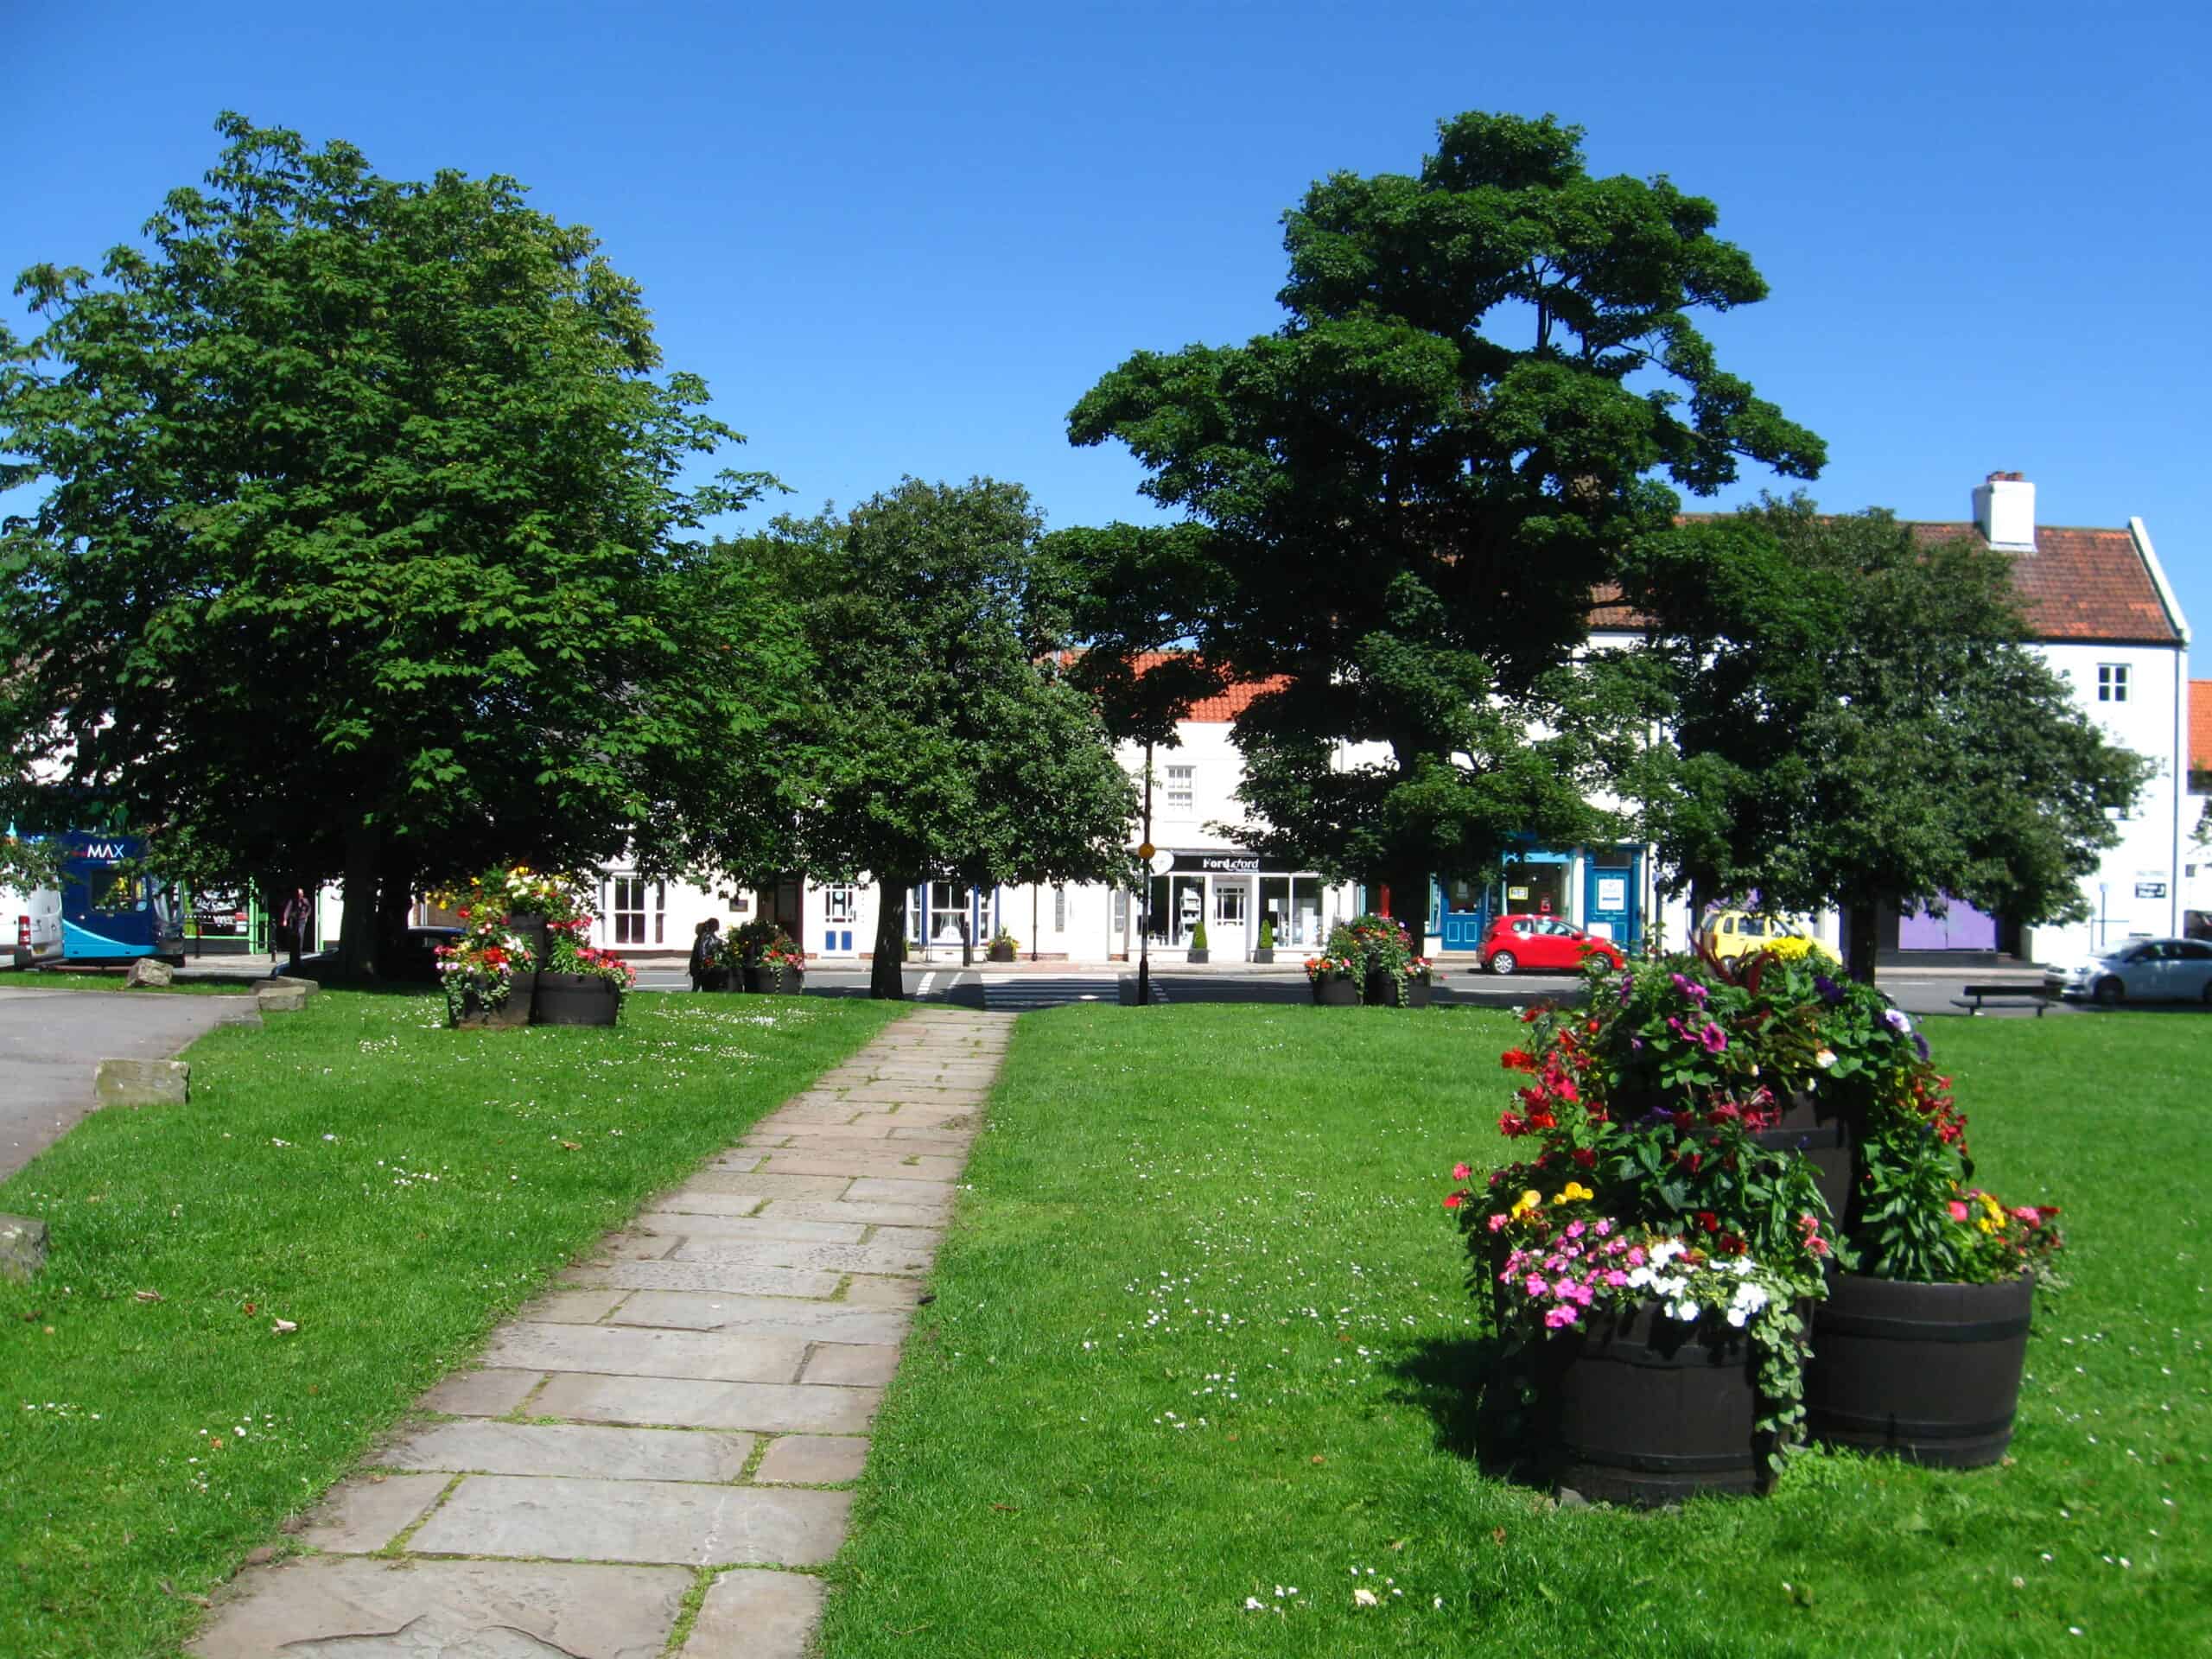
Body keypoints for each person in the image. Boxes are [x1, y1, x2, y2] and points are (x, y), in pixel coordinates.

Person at [689, 917, 723, 992]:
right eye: (716, 924)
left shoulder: (709, 936)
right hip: (704, 966)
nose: (718, 926)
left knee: (698, 986)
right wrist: (706, 962)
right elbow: (703, 950)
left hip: (703, 965)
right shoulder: (707, 936)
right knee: (702, 986)